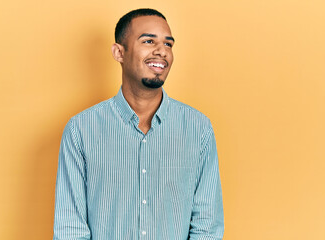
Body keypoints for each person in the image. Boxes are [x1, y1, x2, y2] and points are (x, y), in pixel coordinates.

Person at [53, 8, 224, 240]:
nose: (161, 51)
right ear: (119, 52)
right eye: (148, 41)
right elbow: (70, 229)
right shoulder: (81, 130)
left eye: (168, 44)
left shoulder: (198, 129)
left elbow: (207, 226)